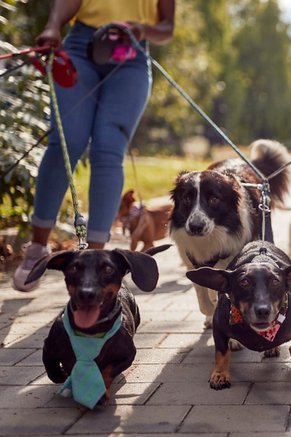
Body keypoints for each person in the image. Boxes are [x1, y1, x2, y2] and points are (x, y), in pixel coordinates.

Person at [12, 0, 175, 292]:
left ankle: (95, 261)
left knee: (108, 150)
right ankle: (37, 248)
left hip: (131, 53)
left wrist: (144, 29)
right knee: (67, 142)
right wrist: (52, 26)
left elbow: (167, 28)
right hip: (81, 46)